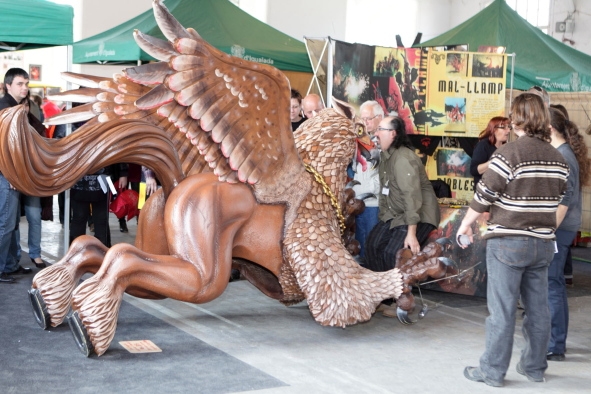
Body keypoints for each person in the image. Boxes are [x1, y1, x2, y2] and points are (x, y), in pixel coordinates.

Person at [457, 93, 569, 387]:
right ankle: (534, 368)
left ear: (517, 119)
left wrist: (464, 226)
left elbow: (484, 195)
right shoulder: (558, 158)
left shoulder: (508, 154)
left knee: (502, 311)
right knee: (538, 309)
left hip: (508, 242)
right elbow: (557, 198)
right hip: (543, 244)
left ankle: (492, 372)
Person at [365, 116, 440, 272]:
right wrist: (383, 222)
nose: (376, 134)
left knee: (393, 253)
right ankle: (381, 291)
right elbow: (385, 192)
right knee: (372, 244)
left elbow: (412, 197)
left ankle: (395, 291)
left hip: (418, 214)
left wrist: (411, 234)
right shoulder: (386, 156)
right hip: (396, 213)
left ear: (393, 134)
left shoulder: (403, 159)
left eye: (380, 129)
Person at [546, 107, 589, 362]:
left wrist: (548, 230)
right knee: (555, 284)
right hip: (561, 228)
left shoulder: (563, 156)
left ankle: (555, 344)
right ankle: (554, 340)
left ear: (549, 129)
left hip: (559, 229)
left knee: (552, 284)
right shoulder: (564, 153)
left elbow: (564, 199)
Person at [0, 68, 46, 282]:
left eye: (26, 83)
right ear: (8, 85)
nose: (25, 87)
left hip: (15, 175)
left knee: (14, 224)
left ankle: (9, 265)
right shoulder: (5, 108)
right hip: (7, 175)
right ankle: (2, 268)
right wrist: (9, 173)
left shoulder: (18, 108)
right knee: (6, 224)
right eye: (20, 83)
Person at [352, 100, 383, 259]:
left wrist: (374, 188)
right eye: (362, 119)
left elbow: (389, 172)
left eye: (368, 119)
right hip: (357, 200)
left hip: (374, 202)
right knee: (359, 246)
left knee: (371, 246)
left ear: (379, 117)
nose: (364, 123)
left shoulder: (385, 140)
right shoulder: (357, 140)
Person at [469, 116, 510, 190]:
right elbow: (473, 170)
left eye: (509, 127)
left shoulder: (506, 147)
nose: (508, 131)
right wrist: (493, 162)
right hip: (485, 192)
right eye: (504, 127)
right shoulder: (483, 145)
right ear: (494, 130)